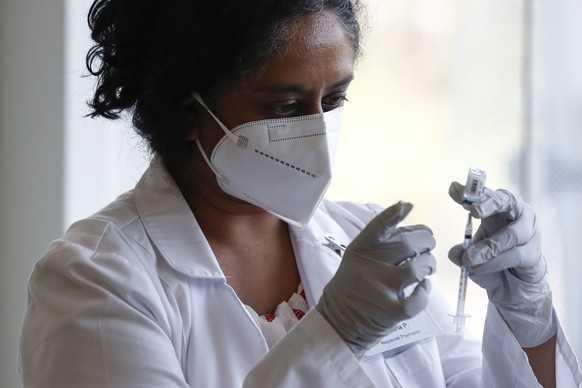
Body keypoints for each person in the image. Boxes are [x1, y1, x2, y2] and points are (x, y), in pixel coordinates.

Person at [19, 0, 581, 387]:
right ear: (189, 111)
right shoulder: (96, 279)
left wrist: (529, 321)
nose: (316, 129)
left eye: (333, 101)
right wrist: (332, 337)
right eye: (284, 107)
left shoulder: (363, 248)